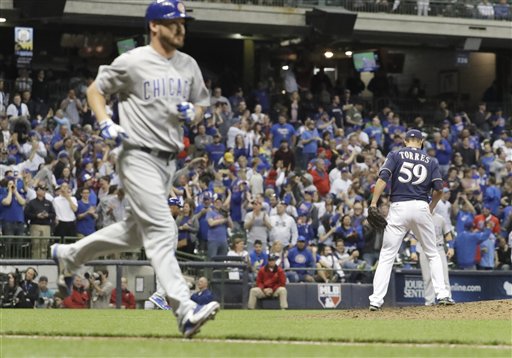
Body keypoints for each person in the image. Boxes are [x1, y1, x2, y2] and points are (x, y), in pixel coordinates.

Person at [51, 0, 219, 338]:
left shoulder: (188, 65)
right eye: (174, 23)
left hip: (168, 162)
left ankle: (68, 255)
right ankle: (184, 309)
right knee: (163, 231)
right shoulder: (133, 61)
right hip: (137, 154)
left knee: (132, 233)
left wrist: (195, 113)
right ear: (154, 26)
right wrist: (104, 123)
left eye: (183, 23)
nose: (181, 28)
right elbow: (95, 90)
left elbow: (203, 103)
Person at [368, 129, 453, 311]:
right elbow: (439, 189)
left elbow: (383, 178)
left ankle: (375, 300)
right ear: (421, 142)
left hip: (398, 207)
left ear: (405, 141)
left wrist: (374, 203)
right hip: (421, 206)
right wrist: (430, 207)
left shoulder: (395, 154)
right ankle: (443, 294)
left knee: (387, 256)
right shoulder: (430, 161)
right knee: (433, 253)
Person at [409, 213, 455, 306]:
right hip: (424, 249)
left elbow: (447, 234)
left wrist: (451, 247)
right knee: (427, 278)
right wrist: (413, 251)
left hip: (439, 249)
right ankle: (429, 302)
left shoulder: (440, 218)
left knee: (444, 275)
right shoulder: (418, 218)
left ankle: (447, 297)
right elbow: (413, 237)